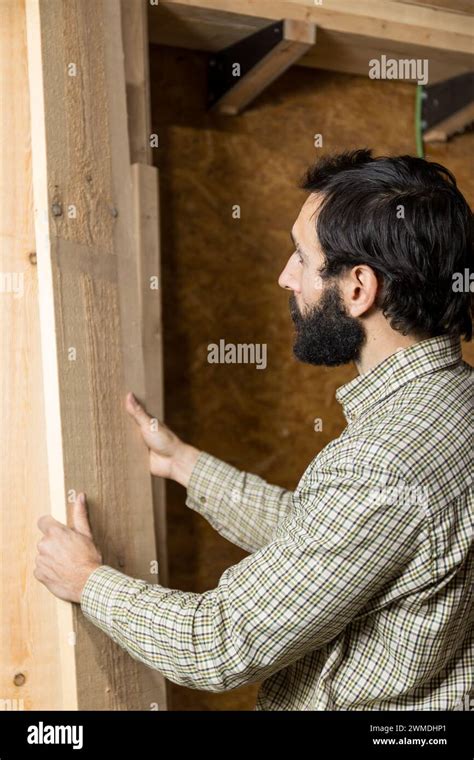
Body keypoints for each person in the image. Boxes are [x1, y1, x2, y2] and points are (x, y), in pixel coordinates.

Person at [35, 150, 473, 710]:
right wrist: (184, 463)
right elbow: (321, 539)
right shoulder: (455, 403)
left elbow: (219, 643)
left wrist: (86, 580)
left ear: (359, 287)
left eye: (301, 256)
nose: (285, 276)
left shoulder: (381, 463)